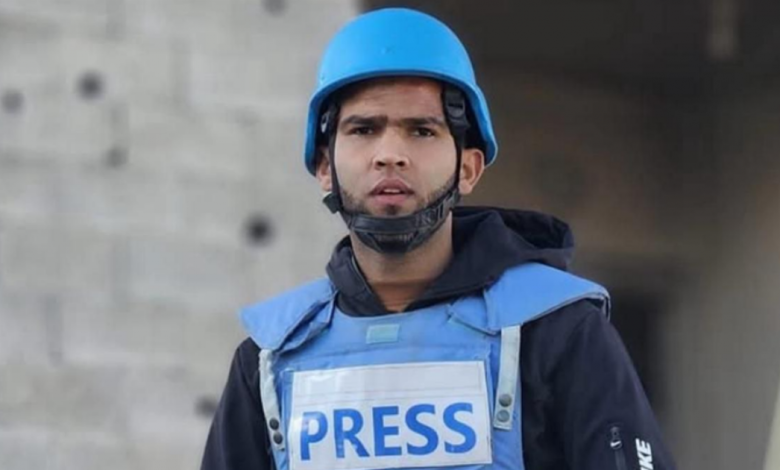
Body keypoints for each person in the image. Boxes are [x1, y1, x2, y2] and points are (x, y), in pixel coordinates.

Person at [201, 8, 676, 470]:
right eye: (364, 129)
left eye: (421, 131)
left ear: (468, 167)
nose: (390, 155)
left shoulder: (558, 330)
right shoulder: (268, 358)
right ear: (325, 167)